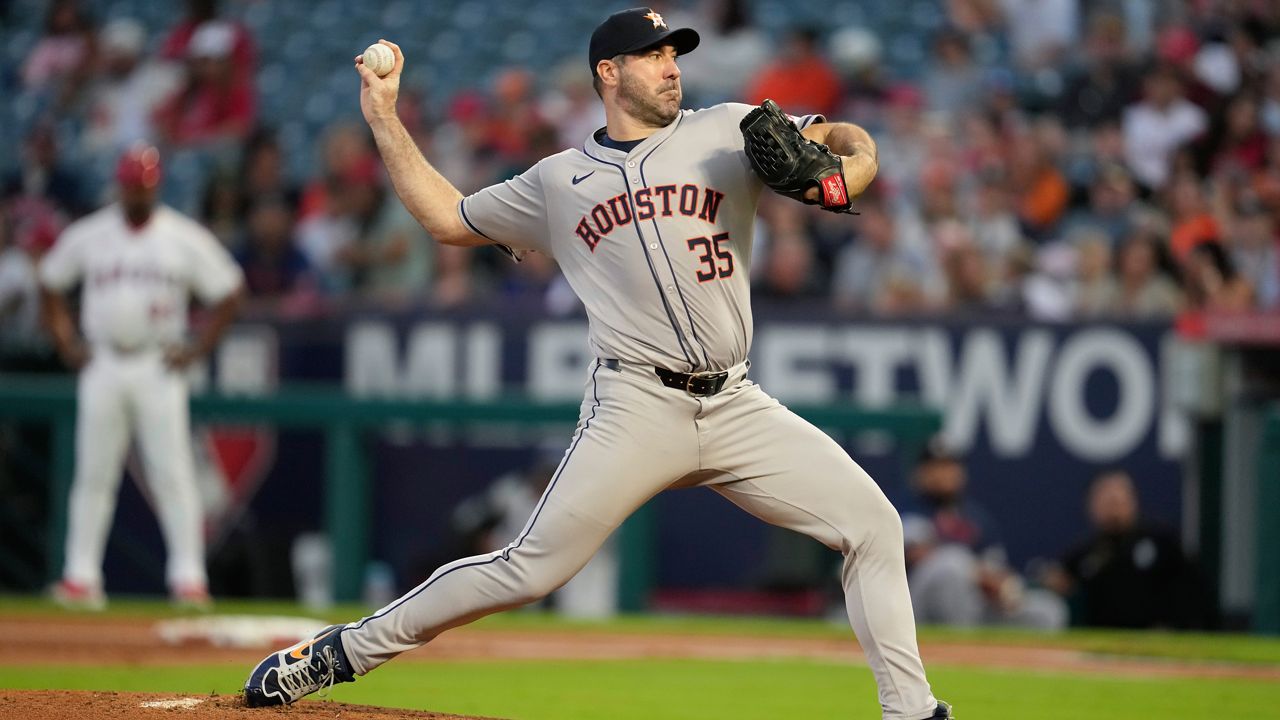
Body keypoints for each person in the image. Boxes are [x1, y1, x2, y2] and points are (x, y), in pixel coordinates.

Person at [244, 9, 952, 719]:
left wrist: (852, 167)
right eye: (651, 55)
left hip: (736, 402)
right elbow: (448, 219)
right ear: (608, 73)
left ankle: (911, 711)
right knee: (527, 569)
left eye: (675, 52)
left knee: (873, 526)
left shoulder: (726, 130)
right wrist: (384, 116)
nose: (671, 65)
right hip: (636, 407)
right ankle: (342, 652)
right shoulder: (558, 181)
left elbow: (839, 141)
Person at [38, 145, 244, 610]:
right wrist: (66, 341)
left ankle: (189, 579)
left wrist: (198, 347)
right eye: (132, 184)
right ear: (121, 184)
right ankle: (80, 577)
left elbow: (230, 290)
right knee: (93, 474)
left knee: (172, 473)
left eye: (145, 184)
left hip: (157, 363)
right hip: (104, 361)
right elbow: (50, 282)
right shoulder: (92, 234)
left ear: (156, 185)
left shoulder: (180, 236)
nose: (138, 192)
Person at [901, 440, 1067, 630]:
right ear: (920, 474)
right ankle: (959, 647)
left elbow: (996, 567)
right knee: (951, 563)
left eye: (950, 467)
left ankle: (1000, 656)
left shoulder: (975, 516)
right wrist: (976, 571)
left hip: (974, 603)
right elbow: (918, 554)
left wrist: (1003, 586)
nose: (944, 474)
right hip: (916, 605)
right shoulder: (906, 508)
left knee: (1047, 609)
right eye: (936, 468)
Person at [1042, 470, 1212, 628]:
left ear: (1132, 501)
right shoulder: (1085, 551)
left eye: (1117, 501)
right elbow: (1060, 580)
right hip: (1102, 636)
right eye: (1107, 502)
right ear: (1092, 506)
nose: (1113, 509)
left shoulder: (1162, 540)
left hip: (1157, 633)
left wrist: (1176, 625)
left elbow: (1191, 587)